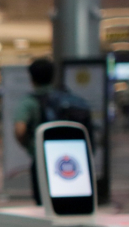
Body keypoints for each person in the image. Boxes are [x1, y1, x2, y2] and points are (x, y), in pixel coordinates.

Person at [11, 58, 91, 204]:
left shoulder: (29, 102)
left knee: (44, 203)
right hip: (72, 158)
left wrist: (28, 145)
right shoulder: (66, 98)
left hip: (42, 158)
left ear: (32, 78)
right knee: (70, 201)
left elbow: (20, 130)